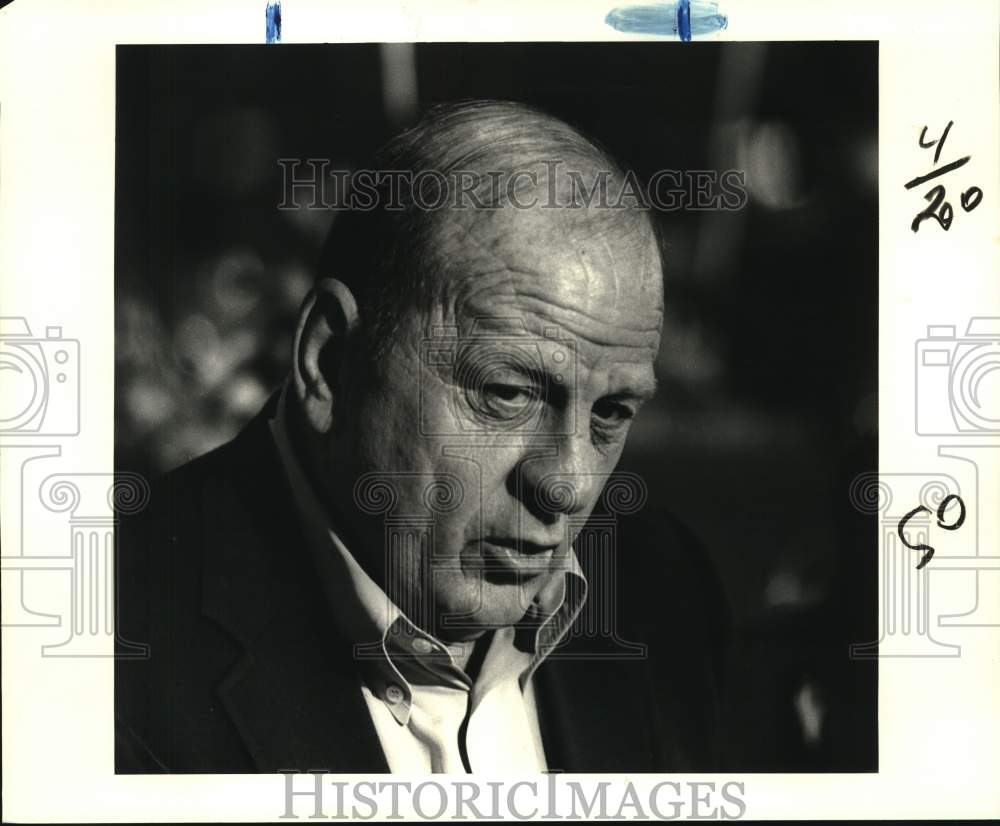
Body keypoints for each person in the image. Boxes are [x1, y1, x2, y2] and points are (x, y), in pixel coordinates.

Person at [115, 100, 728, 774]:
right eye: (508, 393)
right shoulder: (110, 646)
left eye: (610, 413)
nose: (568, 485)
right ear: (330, 364)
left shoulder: (666, 593)